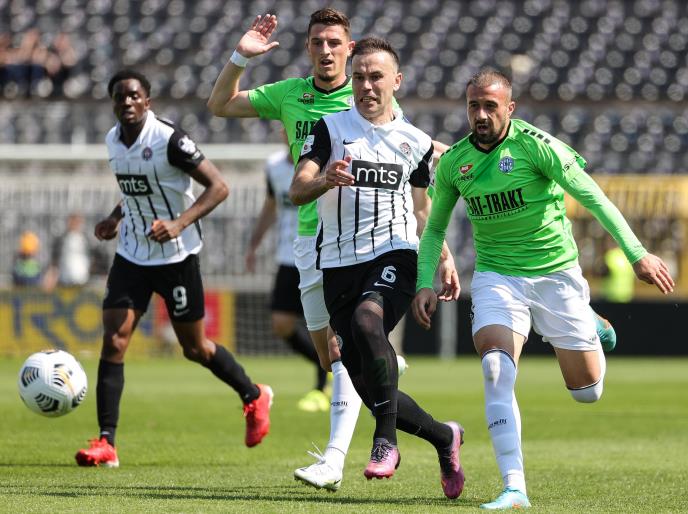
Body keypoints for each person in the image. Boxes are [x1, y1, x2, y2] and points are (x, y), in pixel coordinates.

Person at [412, 67, 675, 509]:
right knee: (495, 370)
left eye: (490, 106)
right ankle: (514, 487)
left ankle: (589, 322)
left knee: (587, 392)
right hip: (497, 277)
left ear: (510, 108)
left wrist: (637, 254)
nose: (481, 114)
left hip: (556, 275)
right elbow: (435, 227)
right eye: (474, 106)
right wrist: (425, 282)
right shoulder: (455, 161)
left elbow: (593, 196)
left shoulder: (537, 146)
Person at [289, 36, 465, 499]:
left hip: (395, 253)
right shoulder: (329, 129)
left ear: (396, 81)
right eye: (360, 77)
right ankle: (444, 437)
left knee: (370, 322)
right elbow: (297, 189)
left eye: (376, 77)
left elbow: (423, 211)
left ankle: (385, 443)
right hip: (337, 263)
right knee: (369, 385)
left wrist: (444, 257)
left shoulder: (417, 143)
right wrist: (325, 179)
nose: (367, 86)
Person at [75, 70, 273, 468]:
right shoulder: (113, 140)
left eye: (134, 96)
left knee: (194, 348)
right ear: (112, 104)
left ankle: (254, 395)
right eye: (120, 97)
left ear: (147, 101)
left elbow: (219, 187)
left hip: (177, 257)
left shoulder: (169, 139)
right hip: (132, 254)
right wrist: (115, 217)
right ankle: (106, 442)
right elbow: (135, 190)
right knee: (114, 340)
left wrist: (179, 223)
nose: (127, 102)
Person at [208, 9, 365, 491]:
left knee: (351, 346)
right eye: (318, 42)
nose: (326, 50)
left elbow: (408, 146)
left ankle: (336, 457)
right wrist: (240, 57)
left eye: (334, 42)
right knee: (333, 357)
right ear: (308, 48)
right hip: (308, 236)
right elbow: (219, 105)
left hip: (359, 237)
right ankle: (439, 433)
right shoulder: (289, 94)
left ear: (350, 49)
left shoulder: (366, 96)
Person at [245, 142, 329, 412]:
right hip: (287, 255)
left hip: (322, 251)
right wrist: (254, 243)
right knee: (281, 323)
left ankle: (321, 389)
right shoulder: (274, 167)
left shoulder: (326, 158)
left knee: (326, 324)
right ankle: (325, 364)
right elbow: (271, 205)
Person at [44, 213, 91, 289]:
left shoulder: (85, 239)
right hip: (65, 279)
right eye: (73, 221)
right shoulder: (62, 239)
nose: (75, 224)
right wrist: (52, 274)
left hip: (82, 279)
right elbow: (55, 258)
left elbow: (92, 257)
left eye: (77, 222)